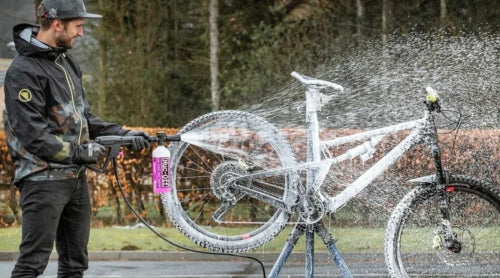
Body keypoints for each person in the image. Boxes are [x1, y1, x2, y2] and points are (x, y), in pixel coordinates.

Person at [3, 0, 150, 277]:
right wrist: (78, 153)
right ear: (57, 24)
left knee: (75, 265)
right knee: (32, 264)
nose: (81, 33)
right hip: (42, 180)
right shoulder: (23, 71)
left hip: (75, 181)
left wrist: (125, 134)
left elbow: (84, 118)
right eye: (78, 26)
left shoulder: (66, 62)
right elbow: (32, 135)